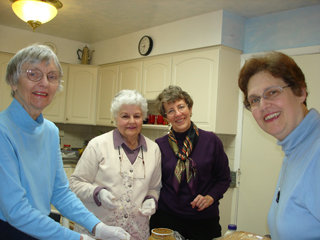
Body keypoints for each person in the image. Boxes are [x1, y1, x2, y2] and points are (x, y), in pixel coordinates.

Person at [0, 44, 130, 240]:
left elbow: (60, 193)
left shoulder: (50, 131)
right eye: (33, 74)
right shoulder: (3, 131)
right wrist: (76, 238)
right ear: (13, 81)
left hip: (41, 228)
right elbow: (16, 210)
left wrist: (97, 227)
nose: (44, 83)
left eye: (51, 76)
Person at [238, 51, 320, 239]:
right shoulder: (295, 148)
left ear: (300, 91)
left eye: (272, 92)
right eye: (255, 100)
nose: (263, 105)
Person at [69, 89, 162, 240]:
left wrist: (151, 199)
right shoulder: (98, 145)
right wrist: (97, 193)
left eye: (137, 116)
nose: (131, 121)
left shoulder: (153, 150)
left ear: (143, 118)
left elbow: (154, 187)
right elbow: (75, 183)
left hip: (136, 233)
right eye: (125, 116)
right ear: (115, 118)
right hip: (99, 232)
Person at [149, 85, 231, 240]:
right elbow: (152, 183)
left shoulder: (211, 141)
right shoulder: (159, 145)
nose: (178, 114)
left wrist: (210, 197)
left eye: (181, 107)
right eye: (171, 110)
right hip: (166, 219)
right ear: (166, 116)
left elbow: (224, 178)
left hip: (203, 221)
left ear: (190, 108)